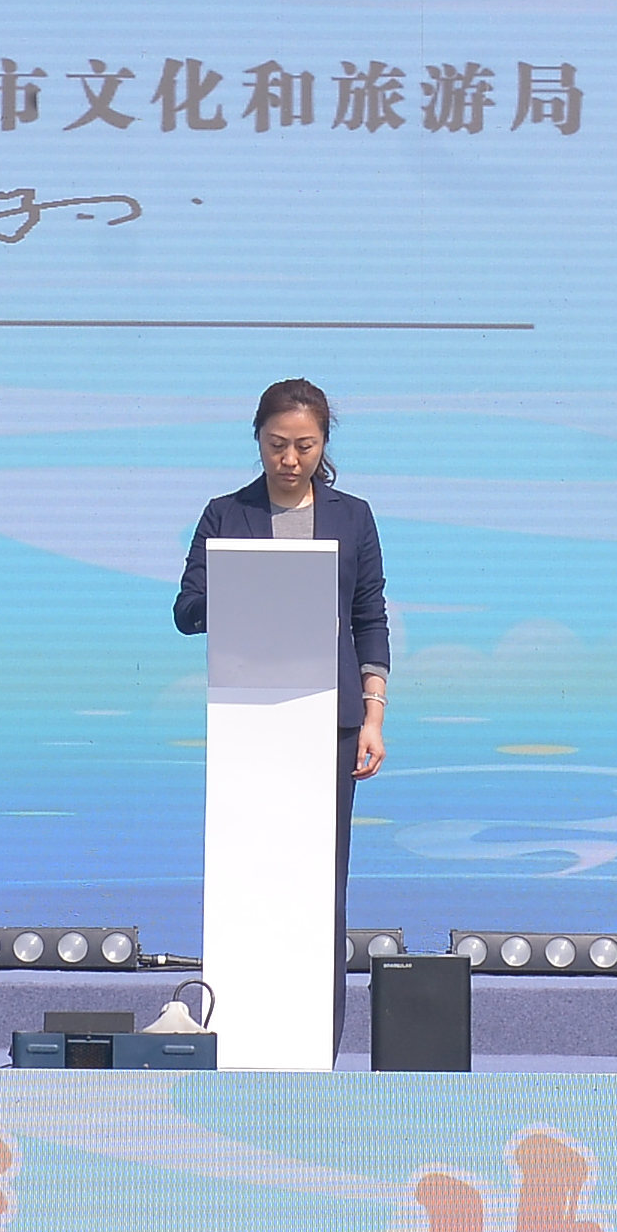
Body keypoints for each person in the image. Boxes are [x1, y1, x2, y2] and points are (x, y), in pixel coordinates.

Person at [171, 377, 393, 918]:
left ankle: (325, 978)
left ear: (323, 444)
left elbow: (369, 617)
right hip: (248, 717)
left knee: (323, 874)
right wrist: (245, 593)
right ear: (258, 439)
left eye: (304, 446)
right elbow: (187, 610)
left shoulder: (353, 516)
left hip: (332, 719)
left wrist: (373, 717)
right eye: (276, 445)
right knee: (252, 867)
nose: (289, 460)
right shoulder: (225, 513)